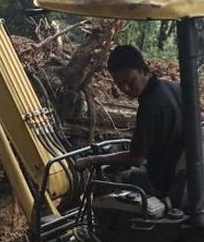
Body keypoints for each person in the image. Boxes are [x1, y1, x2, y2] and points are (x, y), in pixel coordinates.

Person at [75, 45, 190, 202]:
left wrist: (92, 160)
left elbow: (136, 159)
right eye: (120, 85)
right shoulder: (174, 88)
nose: (126, 89)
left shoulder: (150, 106)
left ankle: (103, 225)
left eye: (129, 81)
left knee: (105, 182)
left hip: (162, 182)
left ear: (143, 69)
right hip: (182, 173)